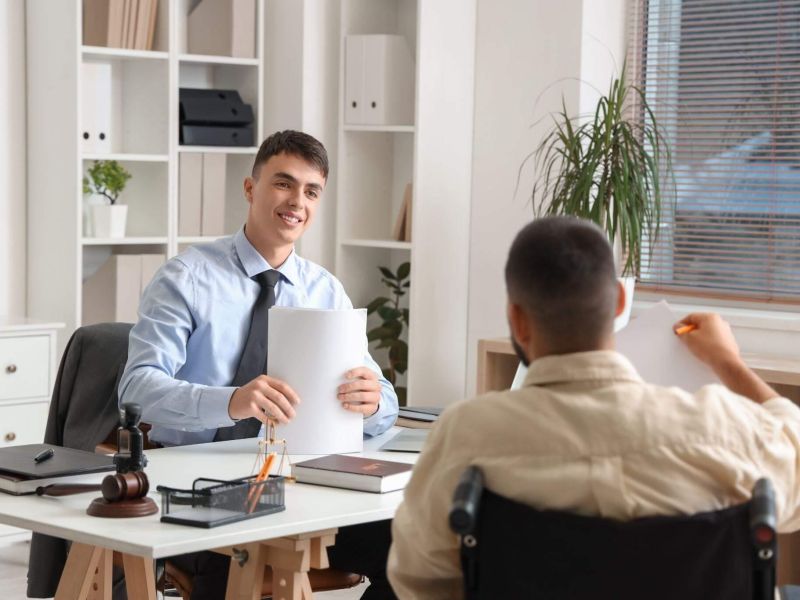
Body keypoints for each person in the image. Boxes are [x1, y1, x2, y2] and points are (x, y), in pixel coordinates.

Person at [387, 216, 800, 598]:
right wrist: (727, 361)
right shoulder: (725, 428)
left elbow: (418, 578)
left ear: (517, 318)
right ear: (620, 301)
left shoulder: (467, 433)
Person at [119, 130, 399, 600]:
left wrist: (372, 402)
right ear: (250, 189)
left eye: (311, 191)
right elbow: (136, 389)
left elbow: (386, 401)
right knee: (230, 578)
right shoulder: (186, 277)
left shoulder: (326, 291)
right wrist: (233, 401)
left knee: (416, 552)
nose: (297, 201)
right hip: (204, 487)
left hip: (302, 486)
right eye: (283, 184)